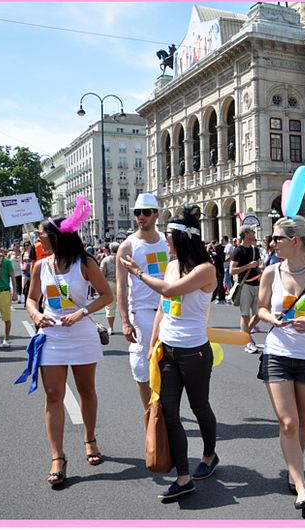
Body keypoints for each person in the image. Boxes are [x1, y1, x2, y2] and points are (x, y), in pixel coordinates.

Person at [120, 204, 219, 500]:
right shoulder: (172, 265)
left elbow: (168, 292)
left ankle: (209, 456)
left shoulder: (206, 269)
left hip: (195, 353)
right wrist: (152, 343)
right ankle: (183, 476)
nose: (165, 241)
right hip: (168, 351)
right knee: (169, 413)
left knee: (200, 407)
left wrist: (137, 272)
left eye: (169, 237)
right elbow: (165, 309)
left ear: (181, 238)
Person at [25, 203, 113, 487]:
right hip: (52, 336)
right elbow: (31, 299)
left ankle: (90, 439)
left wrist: (83, 312)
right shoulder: (41, 266)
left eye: (41, 233)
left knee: (87, 390)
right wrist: (37, 315)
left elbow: (106, 295)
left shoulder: (85, 263)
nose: (38, 237)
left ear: (55, 236)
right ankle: (57, 457)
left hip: (82, 334)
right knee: (53, 395)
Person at [256, 215, 305, 510]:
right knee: (288, 422)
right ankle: (302, 484)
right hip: (277, 353)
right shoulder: (271, 272)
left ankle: (294, 469)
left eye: (277, 238)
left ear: (295, 241)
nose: (272, 243)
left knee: (303, 422)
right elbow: (261, 308)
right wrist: (270, 317)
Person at [116, 193, 169, 410]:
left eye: (146, 212)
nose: (141, 217)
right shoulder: (128, 246)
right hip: (143, 311)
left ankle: (164, 408)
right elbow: (121, 286)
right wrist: (125, 321)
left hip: (168, 308)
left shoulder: (167, 241)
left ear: (156, 214)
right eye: (137, 213)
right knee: (141, 363)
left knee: (167, 363)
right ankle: (150, 412)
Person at [230, 225, 263, 353]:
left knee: (259, 314)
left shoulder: (255, 250)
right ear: (246, 234)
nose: (254, 233)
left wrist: (261, 269)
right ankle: (247, 341)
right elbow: (232, 271)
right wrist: (248, 266)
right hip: (245, 285)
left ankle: (245, 334)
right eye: (252, 232)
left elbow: (258, 266)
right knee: (245, 315)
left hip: (257, 285)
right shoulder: (238, 251)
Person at [99, 242, 119, 335]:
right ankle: (126, 324)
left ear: (110, 249)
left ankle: (111, 328)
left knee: (110, 307)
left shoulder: (106, 260)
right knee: (124, 306)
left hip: (110, 283)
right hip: (121, 283)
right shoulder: (122, 258)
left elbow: (102, 273)